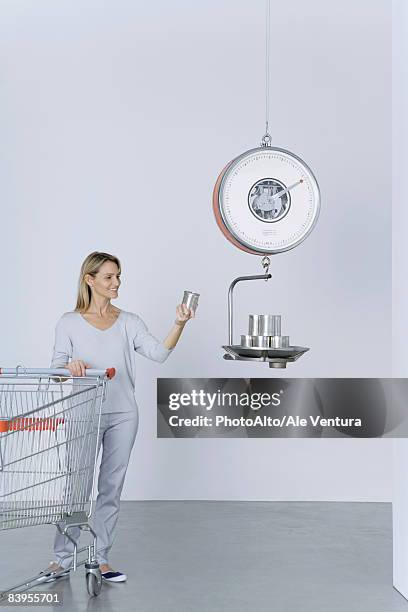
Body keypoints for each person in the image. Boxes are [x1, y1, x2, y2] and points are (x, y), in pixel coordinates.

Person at [47, 251, 193, 583]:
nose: (116, 283)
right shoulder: (68, 322)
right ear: (90, 280)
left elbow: (159, 354)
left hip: (123, 414)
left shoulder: (129, 321)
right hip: (83, 414)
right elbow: (56, 370)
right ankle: (61, 558)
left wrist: (179, 323)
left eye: (118, 277)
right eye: (109, 277)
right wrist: (68, 368)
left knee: (110, 488)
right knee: (75, 488)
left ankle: (100, 559)